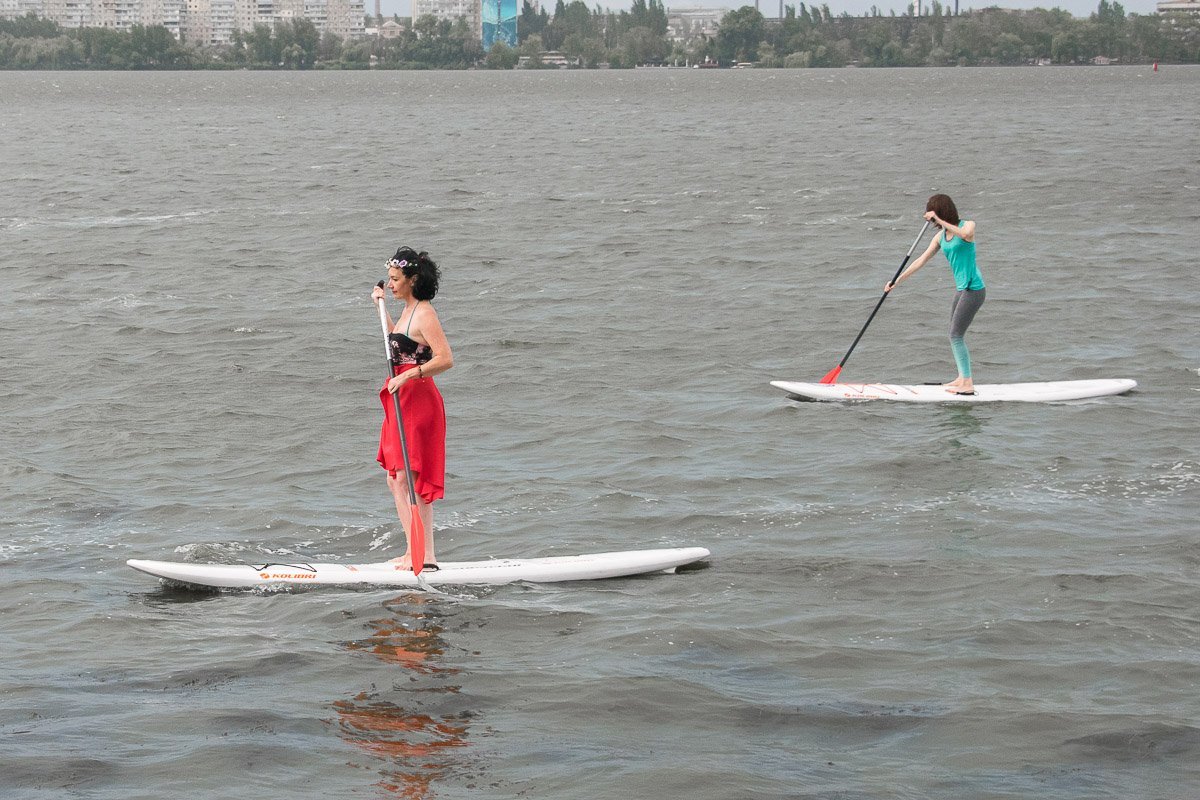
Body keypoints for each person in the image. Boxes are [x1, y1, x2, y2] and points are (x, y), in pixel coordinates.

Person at [371, 247, 453, 570]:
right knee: (396, 480)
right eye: (389, 279)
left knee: (410, 479)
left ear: (412, 280)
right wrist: (379, 307)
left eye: (395, 279)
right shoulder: (406, 311)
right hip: (400, 400)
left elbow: (445, 359)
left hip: (419, 400)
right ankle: (413, 550)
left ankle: (425, 554)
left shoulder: (425, 313)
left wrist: (410, 378)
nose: (391, 285)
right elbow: (399, 342)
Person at [884, 194, 986, 395]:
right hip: (961, 290)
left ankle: (968, 384)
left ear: (941, 212)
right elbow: (920, 261)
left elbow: (965, 235)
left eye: (934, 215)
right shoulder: (940, 238)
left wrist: (940, 221)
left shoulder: (968, 226)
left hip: (974, 290)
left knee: (955, 334)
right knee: (955, 334)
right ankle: (962, 377)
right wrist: (896, 281)